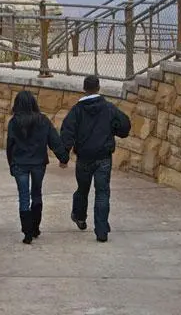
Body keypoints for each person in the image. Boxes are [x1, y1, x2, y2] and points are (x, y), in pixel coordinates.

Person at [61, 75, 131, 242]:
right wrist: (115, 130)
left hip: (84, 158)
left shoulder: (77, 110)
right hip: (103, 158)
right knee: (102, 193)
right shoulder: (109, 108)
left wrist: (64, 156)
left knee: (82, 189)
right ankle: (101, 230)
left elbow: (67, 132)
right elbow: (124, 125)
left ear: (84, 89)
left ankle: (79, 216)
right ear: (98, 88)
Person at [7, 91, 69, 244]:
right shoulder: (43, 120)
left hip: (20, 163)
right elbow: (54, 140)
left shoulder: (14, 122)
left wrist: (11, 165)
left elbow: (10, 146)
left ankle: (27, 233)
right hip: (38, 164)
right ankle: (35, 228)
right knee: (36, 194)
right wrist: (63, 158)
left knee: (23, 197)